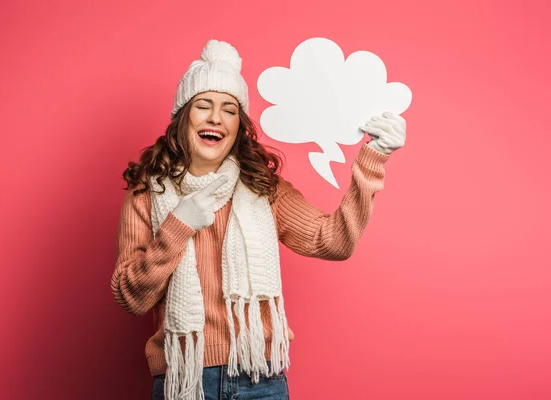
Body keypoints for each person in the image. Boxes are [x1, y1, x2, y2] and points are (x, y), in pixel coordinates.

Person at [111, 39, 406, 400]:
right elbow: (131, 297)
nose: (215, 118)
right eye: (203, 105)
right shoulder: (147, 193)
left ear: (238, 126)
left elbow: (334, 241)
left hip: (261, 379)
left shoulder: (264, 190)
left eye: (229, 110)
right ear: (182, 118)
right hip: (185, 380)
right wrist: (177, 225)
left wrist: (373, 159)